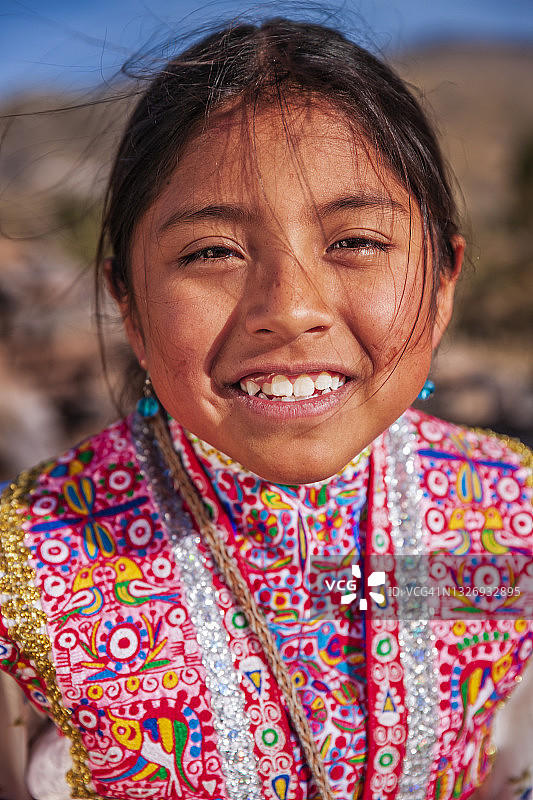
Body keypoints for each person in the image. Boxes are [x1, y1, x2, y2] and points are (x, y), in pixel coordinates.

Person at [0, 17, 532, 800]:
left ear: (444, 281)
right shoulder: (26, 572)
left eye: (356, 241)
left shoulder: (507, 512)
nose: (289, 309)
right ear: (129, 302)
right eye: (211, 252)